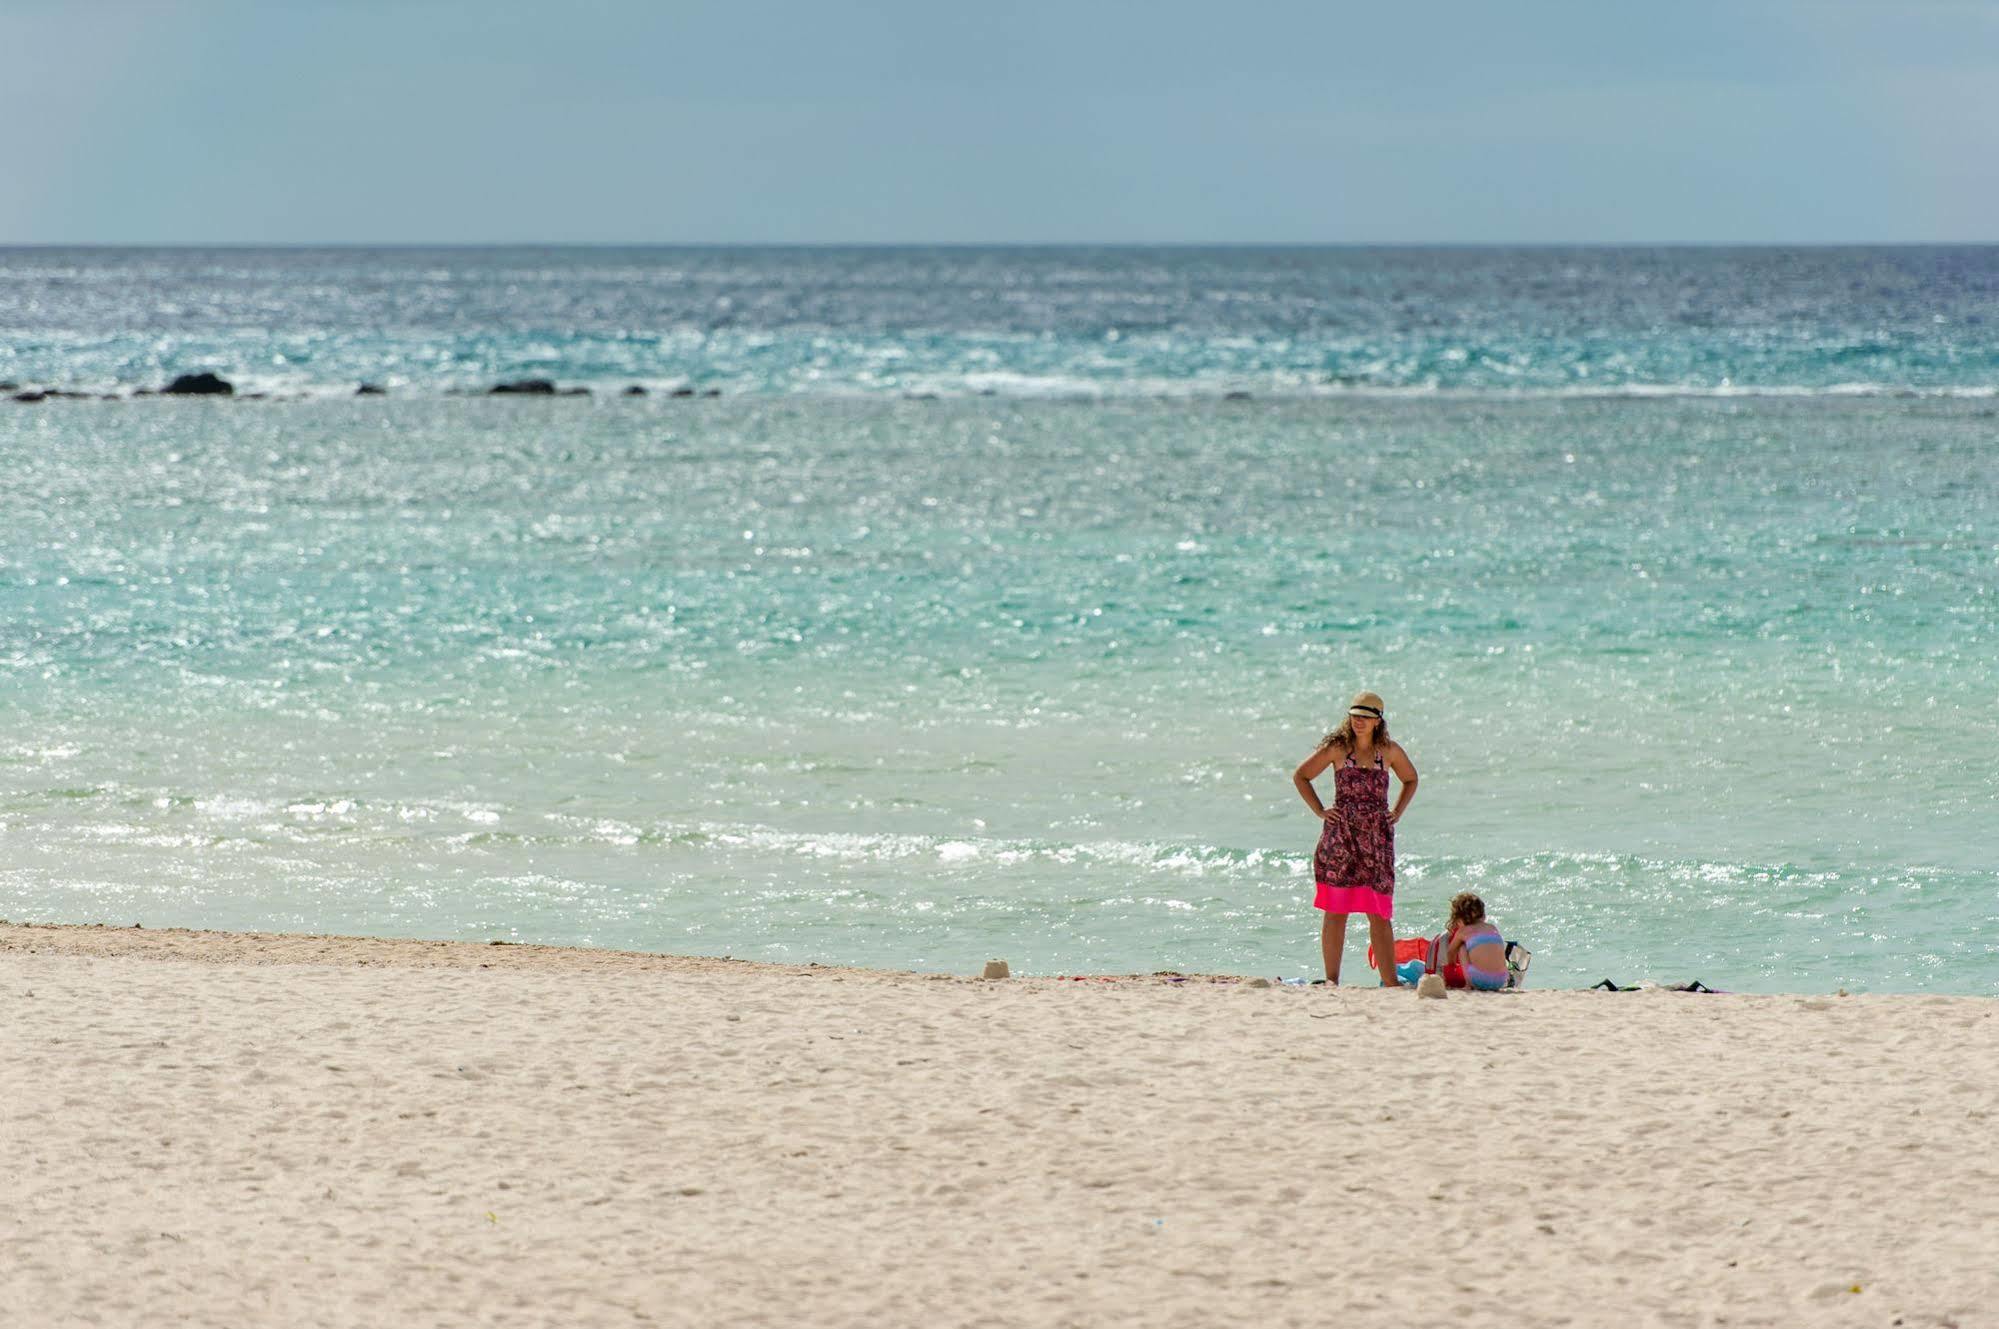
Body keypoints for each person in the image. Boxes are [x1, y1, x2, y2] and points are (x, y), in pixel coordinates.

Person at [1292, 690, 1418, 985]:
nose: (1358, 721)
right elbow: (1301, 776)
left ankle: (1390, 983)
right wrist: (1320, 810)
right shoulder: (1338, 748)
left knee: (1379, 913)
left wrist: (1397, 810)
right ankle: (1331, 981)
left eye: (1365, 716)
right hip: (1341, 839)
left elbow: (1411, 778)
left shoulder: (1389, 751)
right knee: (1336, 911)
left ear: (1378, 721)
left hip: (1377, 841)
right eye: (1354, 715)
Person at [1439, 892, 1508, 991]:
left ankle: (1468, 985)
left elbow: (1451, 951)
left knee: (1462, 947)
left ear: (1459, 918)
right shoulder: (1492, 928)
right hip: (1501, 980)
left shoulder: (1462, 931)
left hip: (1479, 980)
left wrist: (1452, 966)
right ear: (1483, 914)